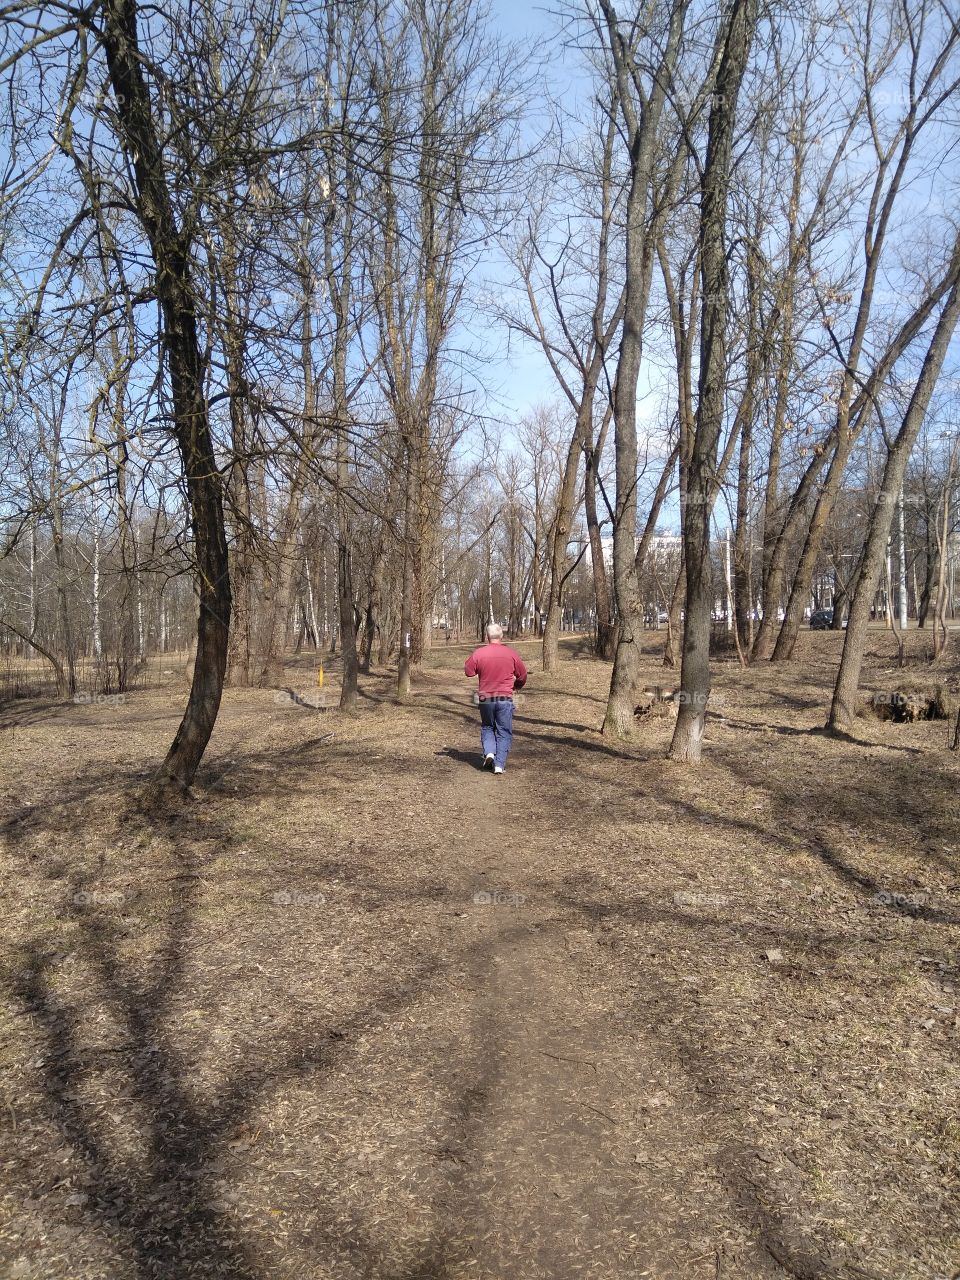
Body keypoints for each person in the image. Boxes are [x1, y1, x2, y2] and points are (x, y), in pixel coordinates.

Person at [464, 623, 527, 775]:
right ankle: (499, 765)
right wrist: (516, 686)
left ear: (487, 636)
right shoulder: (511, 654)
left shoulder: (479, 653)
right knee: (504, 731)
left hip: (486, 697)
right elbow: (522, 675)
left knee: (487, 727)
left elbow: (468, 671)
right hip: (505, 697)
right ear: (501, 636)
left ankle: (490, 752)